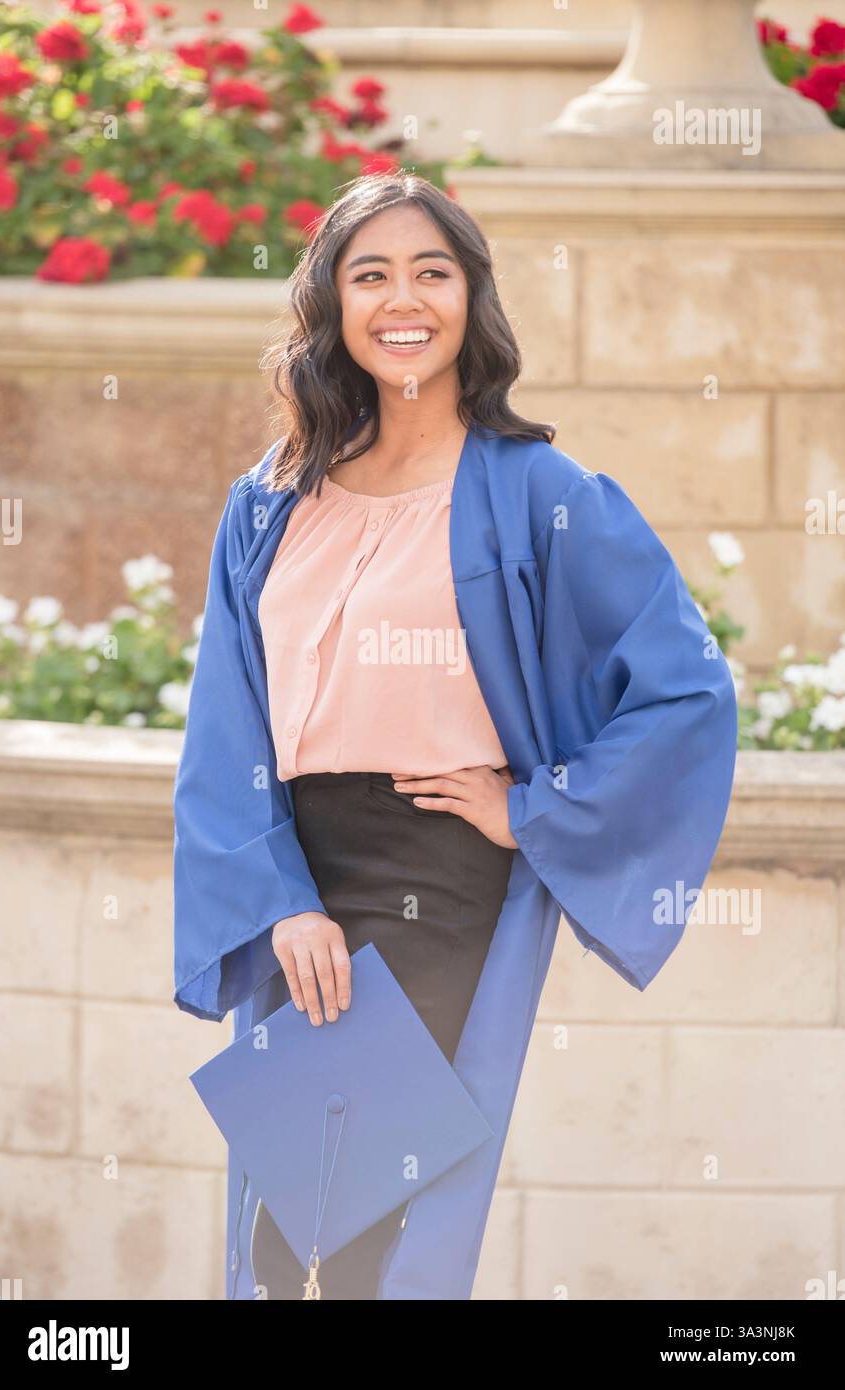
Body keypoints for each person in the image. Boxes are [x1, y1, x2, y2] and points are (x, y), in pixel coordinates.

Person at [172, 172, 738, 1301]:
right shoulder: (275, 499)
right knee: (273, 1237)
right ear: (332, 305)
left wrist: (531, 805)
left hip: (435, 872)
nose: (403, 298)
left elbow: (687, 690)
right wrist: (278, 895)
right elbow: (225, 716)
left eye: (433, 271)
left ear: (473, 298)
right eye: (369, 273)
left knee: (349, 1229)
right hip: (293, 876)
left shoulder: (537, 493)